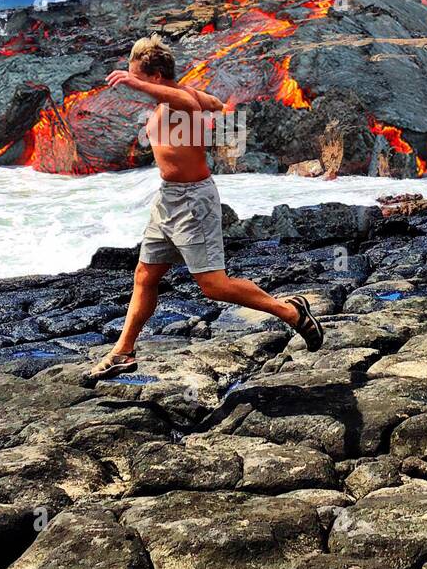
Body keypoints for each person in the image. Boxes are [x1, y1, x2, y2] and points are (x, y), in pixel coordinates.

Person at [86, 34, 324, 381]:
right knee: (145, 275)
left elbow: (190, 101)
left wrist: (143, 87)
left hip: (193, 201)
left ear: (154, 76)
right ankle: (123, 351)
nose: (130, 80)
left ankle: (290, 312)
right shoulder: (182, 100)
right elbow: (212, 103)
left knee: (213, 285)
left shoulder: (179, 103)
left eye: (136, 75)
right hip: (167, 199)